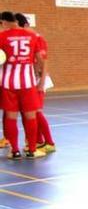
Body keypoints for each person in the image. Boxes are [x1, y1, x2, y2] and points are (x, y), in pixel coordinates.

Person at [0, 11, 46, 159]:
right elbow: (40, 59)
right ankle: (32, 150)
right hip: (28, 82)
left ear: (4, 22)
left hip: (8, 82)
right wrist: (40, 77)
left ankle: (14, 151)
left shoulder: (2, 36)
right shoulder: (32, 35)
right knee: (30, 116)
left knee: (11, 117)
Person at [14, 13, 55, 154]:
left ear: (25, 25)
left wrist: (41, 82)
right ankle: (38, 141)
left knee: (36, 112)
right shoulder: (22, 39)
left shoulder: (37, 39)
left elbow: (43, 62)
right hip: (27, 80)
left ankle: (49, 143)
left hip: (37, 80)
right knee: (28, 112)